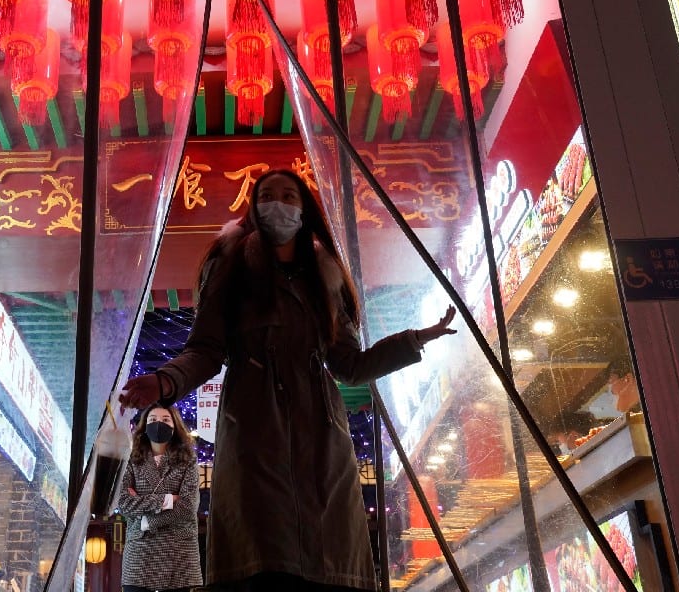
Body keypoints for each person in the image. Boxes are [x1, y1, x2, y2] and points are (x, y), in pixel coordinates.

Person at [118, 168, 459, 592]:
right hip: (253, 433)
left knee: (329, 562)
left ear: (304, 210)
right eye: (267, 196)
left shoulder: (324, 277)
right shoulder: (230, 268)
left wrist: (413, 341)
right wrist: (163, 382)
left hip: (323, 439)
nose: (277, 204)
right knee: (262, 560)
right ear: (254, 208)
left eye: (289, 196)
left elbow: (351, 365)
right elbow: (205, 350)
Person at [116, 402, 203, 592]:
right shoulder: (131, 460)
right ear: (144, 426)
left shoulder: (188, 460)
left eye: (165, 419)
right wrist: (169, 499)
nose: (158, 424)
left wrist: (146, 520)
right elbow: (123, 502)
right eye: (152, 419)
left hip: (179, 555)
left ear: (175, 425)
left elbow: (188, 506)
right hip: (140, 555)